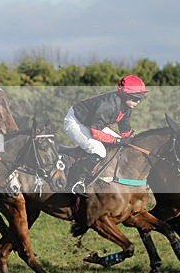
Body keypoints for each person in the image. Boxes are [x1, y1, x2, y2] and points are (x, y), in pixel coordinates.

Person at [63, 74, 148, 235]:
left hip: (92, 124)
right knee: (98, 150)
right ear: (125, 95)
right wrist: (117, 142)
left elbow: (125, 131)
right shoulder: (108, 105)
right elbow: (95, 133)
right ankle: (75, 183)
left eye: (140, 99)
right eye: (135, 98)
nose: (137, 102)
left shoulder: (126, 107)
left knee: (117, 145)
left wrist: (132, 142)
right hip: (75, 121)